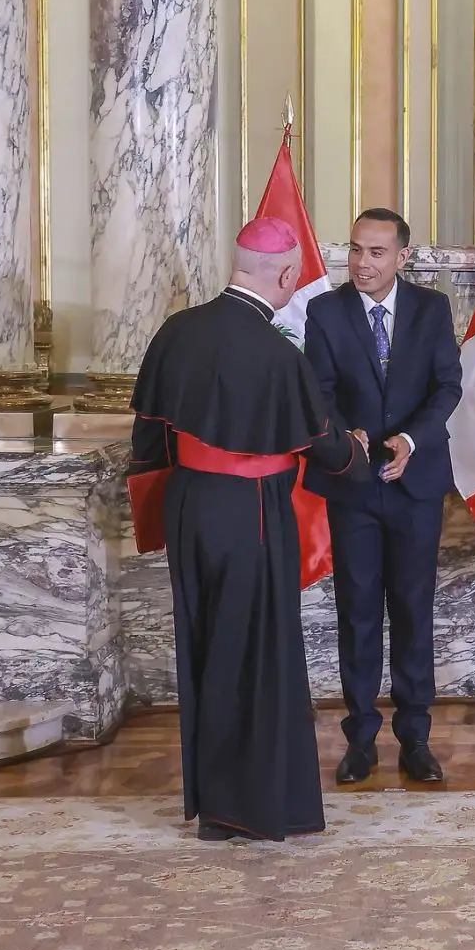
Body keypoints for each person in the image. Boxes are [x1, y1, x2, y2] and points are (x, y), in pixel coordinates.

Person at [128, 217, 370, 842]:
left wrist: (161, 513)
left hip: (188, 507)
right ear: (288, 276)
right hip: (252, 512)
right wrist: (361, 450)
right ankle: (255, 806)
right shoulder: (276, 352)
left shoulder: (175, 332)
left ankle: (215, 805)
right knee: (258, 654)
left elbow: (149, 440)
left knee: (204, 647)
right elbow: (329, 449)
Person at [304, 208, 462, 785]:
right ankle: (361, 738)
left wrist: (410, 439)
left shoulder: (432, 309)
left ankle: (415, 738)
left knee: (415, 612)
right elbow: (317, 392)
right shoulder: (325, 312)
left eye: (376, 253)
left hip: (415, 486)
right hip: (354, 487)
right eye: (355, 250)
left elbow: (449, 385)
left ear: (402, 257)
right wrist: (348, 436)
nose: (362, 263)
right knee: (359, 612)